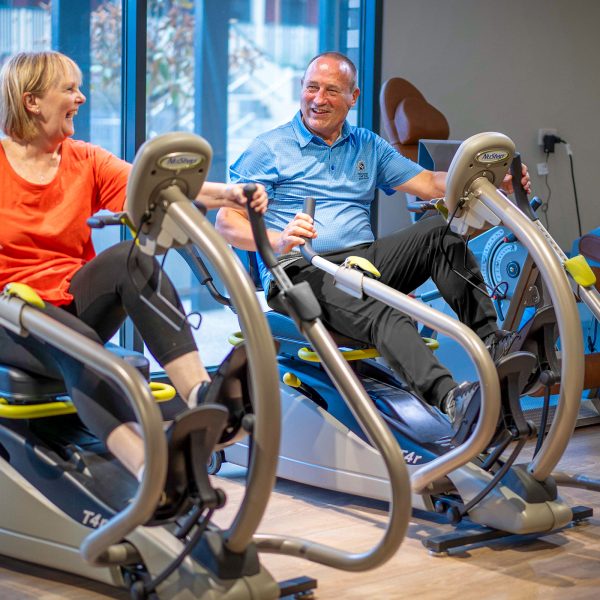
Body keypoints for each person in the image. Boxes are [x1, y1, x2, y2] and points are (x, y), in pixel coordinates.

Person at [215, 51, 531, 433]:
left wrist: (496, 181)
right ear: (301, 90)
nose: (319, 99)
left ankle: (492, 343)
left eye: (332, 90)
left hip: (362, 262)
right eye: (312, 88)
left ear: (353, 97)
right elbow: (227, 220)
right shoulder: (269, 148)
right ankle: (452, 399)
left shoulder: (367, 144)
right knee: (383, 308)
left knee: (437, 230)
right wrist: (278, 239)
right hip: (300, 269)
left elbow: (429, 183)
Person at [0, 51, 267, 482]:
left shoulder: (83, 159)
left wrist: (231, 195)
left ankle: (202, 397)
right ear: (32, 101)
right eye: (69, 89)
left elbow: (161, 190)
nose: (82, 97)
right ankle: (149, 469)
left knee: (133, 257)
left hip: (68, 301)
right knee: (81, 347)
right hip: (10, 315)